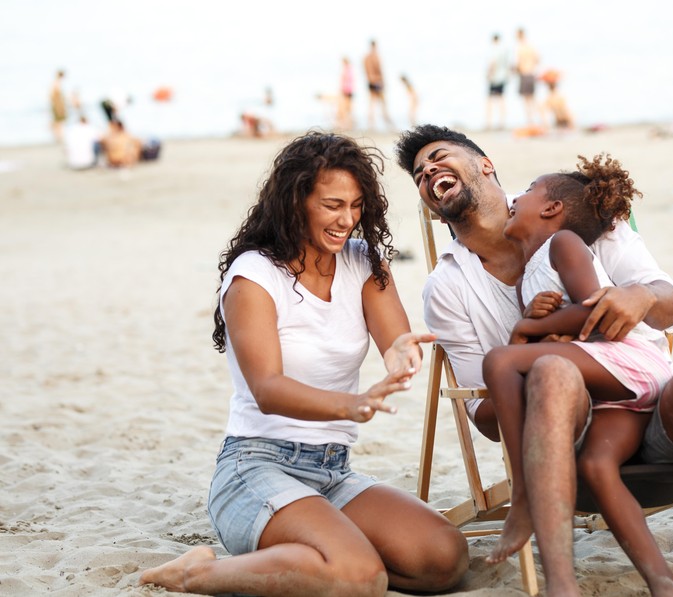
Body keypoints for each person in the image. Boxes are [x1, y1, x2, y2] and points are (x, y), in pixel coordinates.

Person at [395, 125, 673, 597]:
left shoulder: (577, 218)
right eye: (419, 174)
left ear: (485, 164)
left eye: (438, 156)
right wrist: (536, 365)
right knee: (552, 373)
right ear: (432, 210)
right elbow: (485, 417)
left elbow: (667, 306)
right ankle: (563, 582)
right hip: (574, 437)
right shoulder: (447, 287)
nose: (428, 171)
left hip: (659, 409)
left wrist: (637, 296)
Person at [140, 132, 468, 596]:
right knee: (359, 577)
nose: (347, 220)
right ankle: (196, 572)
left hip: (332, 471)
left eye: (356, 205)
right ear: (296, 202)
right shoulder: (253, 276)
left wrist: (401, 358)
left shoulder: (363, 263)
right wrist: (349, 405)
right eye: (332, 205)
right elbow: (267, 389)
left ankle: (319, 561)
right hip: (255, 468)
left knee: (443, 558)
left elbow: (396, 342)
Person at [481, 157, 673, 596]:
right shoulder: (528, 276)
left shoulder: (564, 244)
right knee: (599, 468)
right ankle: (664, 583)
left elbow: (595, 311)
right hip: (614, 396)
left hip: (626, 360)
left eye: (529, 189)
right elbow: (550, 347)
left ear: (553, 209)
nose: (514, 198)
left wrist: (527, 329)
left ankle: (522, 500)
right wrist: (538, 327)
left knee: (498, 361)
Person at [363, 39, 394, 130]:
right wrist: (383, 81)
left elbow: (366, 71)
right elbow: (379, 69)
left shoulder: (366, 57)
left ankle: (371, 124)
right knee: (383, 103)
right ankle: (387, 122)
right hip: (377, 81)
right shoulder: (375, 56)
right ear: (375, 46)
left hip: (370, 81)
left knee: (372, 103)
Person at [515, 28, 540, 126]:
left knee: (526, 100)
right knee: (533, 99)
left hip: (524, 74)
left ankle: (530, 121)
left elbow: (518, 63)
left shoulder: (520, 47)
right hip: (532, 73)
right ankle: (537, 120)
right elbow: (537, 59)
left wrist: (517, 70)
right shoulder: (531, 46)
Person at [486, 33, 511, 130]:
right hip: (503, 77)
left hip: (495, 78)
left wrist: (489, 74)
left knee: (490, 101)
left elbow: (493, 63)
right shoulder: (504, 51)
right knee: (501, 99)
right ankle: (502, 122)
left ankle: (489, 123)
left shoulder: (494, 50)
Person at [50, 69, 67, 142]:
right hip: (57, 105)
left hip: (57, 104)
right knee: (58, 121)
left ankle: (58, 136)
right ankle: (58, 136)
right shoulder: (57, 84)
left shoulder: (56, 83)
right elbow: (55, 96)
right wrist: (59, 106)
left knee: (58, 121)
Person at [338, 56, 355, 130]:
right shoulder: (350, 69)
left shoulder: (346, 69)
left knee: (345, 108)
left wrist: (341, 89)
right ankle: (349, 124)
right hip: (350, 90)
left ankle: (346, 124)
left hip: (346, 90)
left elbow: (344, 80)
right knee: (349, 108)